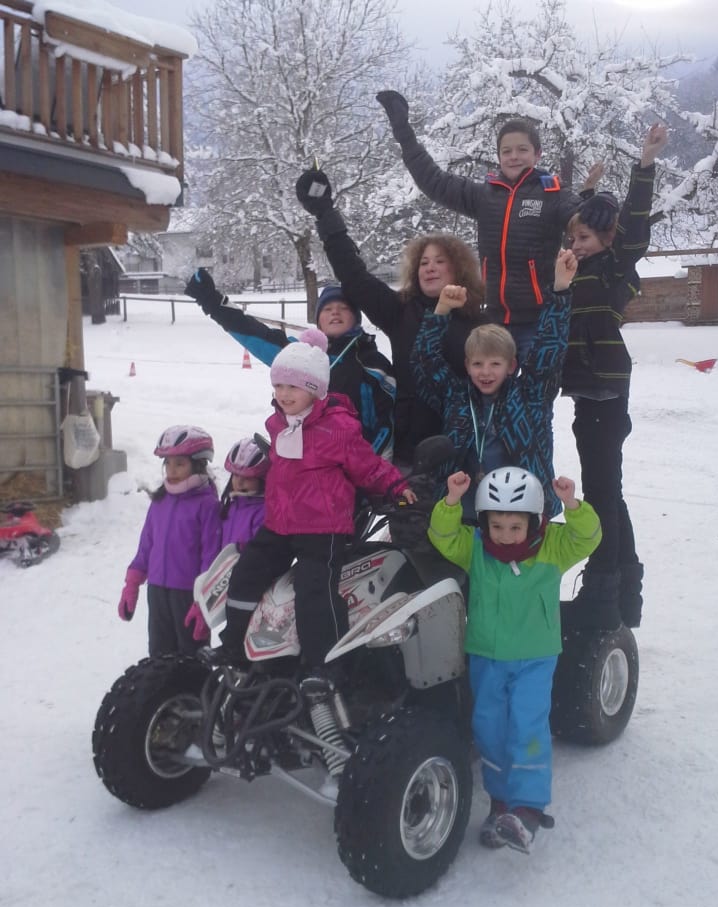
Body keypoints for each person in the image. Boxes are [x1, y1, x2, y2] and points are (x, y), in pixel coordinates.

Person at [211, 339, 416, 671]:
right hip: (279, 523)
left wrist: (395, 486)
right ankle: (233, 644)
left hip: (323, 528)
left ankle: (326, 665)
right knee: (246, 573)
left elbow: (368, 465)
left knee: (314, 591)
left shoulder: (338, 428)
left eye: (292, 386)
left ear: (315, 388)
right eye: (278, 385)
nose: (283, 394)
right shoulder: (277, 424)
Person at [428, 466, 601, 853]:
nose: (505, 535)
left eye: (515, 527)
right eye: (496, 526)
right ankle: (501, 804)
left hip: (534, 658)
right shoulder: (476, 549)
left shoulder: (553, 547)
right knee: (489, 729)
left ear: (535, 522)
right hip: (486, 657)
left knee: (527, 726)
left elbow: (588, 537)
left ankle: (528, 809)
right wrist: (451, 501)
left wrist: (573, 505)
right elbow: (443, 536)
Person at [375, 92, 600, 360]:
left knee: (538, 387)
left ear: (537, 154)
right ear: (499, 155)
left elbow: (581, 218)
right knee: (488, 386)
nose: (514, 156)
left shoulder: (552, 195)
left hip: (538, 321)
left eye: (522, 150)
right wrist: (403, 133)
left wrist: (597, 207)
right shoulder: (485, 196)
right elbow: (433, 181)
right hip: (494, 320)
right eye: (506, 151)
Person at [295, 167, 486, 465]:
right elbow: (353, 275)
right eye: (424, 262)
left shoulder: (478, 320)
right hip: (410, 448)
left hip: (464, 446)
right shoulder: (401, 310)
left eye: (439, 261)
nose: (430, 268)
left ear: (458, 268)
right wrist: (325, 214)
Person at [561, 123, 668, 630]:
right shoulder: (581, 269)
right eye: (572, 238)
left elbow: (632, 230)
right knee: (608, 489)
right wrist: (586, 194)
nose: (575, 245)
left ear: (607, 239)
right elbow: (587, 230)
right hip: (588, 392)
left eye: (584, 238)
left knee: (603, 492)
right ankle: (626, 593)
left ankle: (605, 590)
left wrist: (644, 165)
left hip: (606, 389)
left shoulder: (614, 268)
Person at [408, 248, 578, 520]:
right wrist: (441, 310)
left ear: (511, 366)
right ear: (467, 366)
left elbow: (549, 350)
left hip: (520, 517)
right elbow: (424, 362)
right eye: (477, 364)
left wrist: (559, 289)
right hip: (464, 515)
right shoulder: (456, 397)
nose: (485, 372)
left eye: (495, 364)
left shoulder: (530, 395)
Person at [184, 270, 396, 459]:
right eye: (327, 308)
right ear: (318, 321)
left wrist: (368, 471)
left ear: (356, 318)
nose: (335, 312)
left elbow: (388, 426)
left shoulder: (373, 364)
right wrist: (211, 299)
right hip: (302, 466)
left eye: (343, 308)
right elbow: (253, 333)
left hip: (354, 469)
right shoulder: (299, 357)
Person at [118, 426, 222, 657]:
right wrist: (131, 584)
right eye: (168, 463)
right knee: (160, 654)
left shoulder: (207, 505)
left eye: (180, 464)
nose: (171, 470)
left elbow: (211, 559)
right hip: (157, 592)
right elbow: (146, 546)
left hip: (188, 595)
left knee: (191, 658)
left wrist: (204, 602)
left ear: (198, 465)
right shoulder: (160, 502)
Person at [220, 436, 269, 549]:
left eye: (247, 478)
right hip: (224, 561)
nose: (239, 483)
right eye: (236, 475)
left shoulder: (262, 513)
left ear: (262, 479)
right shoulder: (230, 505)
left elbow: (261, 549)